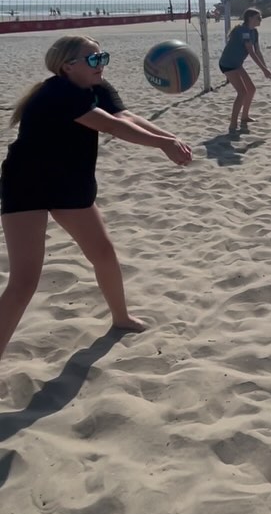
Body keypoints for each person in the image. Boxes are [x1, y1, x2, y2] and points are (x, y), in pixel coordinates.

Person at [0, 36, 192, 360]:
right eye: (92, 59)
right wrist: (162, 145)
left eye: (102, 56)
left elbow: (127, 118)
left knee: (103, 252)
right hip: (26, 184)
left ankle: (121, 317)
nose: (100, 64)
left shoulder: (98, 88)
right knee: (24, 281)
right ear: (67, 66)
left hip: (70, 184)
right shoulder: (59, 92)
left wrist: (169, 137)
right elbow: (113, 127)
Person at [219, 8, 271, 134]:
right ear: (250, 18)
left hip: (237, 64)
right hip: (228, 64)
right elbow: (251, 52)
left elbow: (258, 51)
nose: (260, 20)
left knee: (251, 89)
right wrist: (263, 70)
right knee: (242, 92)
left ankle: (245, 116)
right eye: (258, 18)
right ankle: (233, 124)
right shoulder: (243, 31)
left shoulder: (254, 32)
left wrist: (266, 68)